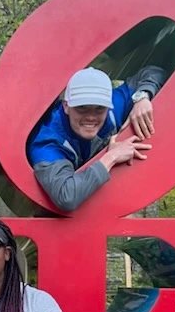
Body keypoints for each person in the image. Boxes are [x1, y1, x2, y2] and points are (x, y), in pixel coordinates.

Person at [27, 65, 166, 211]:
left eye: (99, 108)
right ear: (66, 106)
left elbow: (155, 71)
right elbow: (66, 196)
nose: (91, 116)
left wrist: (143, 97)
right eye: (82, 107)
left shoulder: (115, 106)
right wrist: (111, 157)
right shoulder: (47, 140)